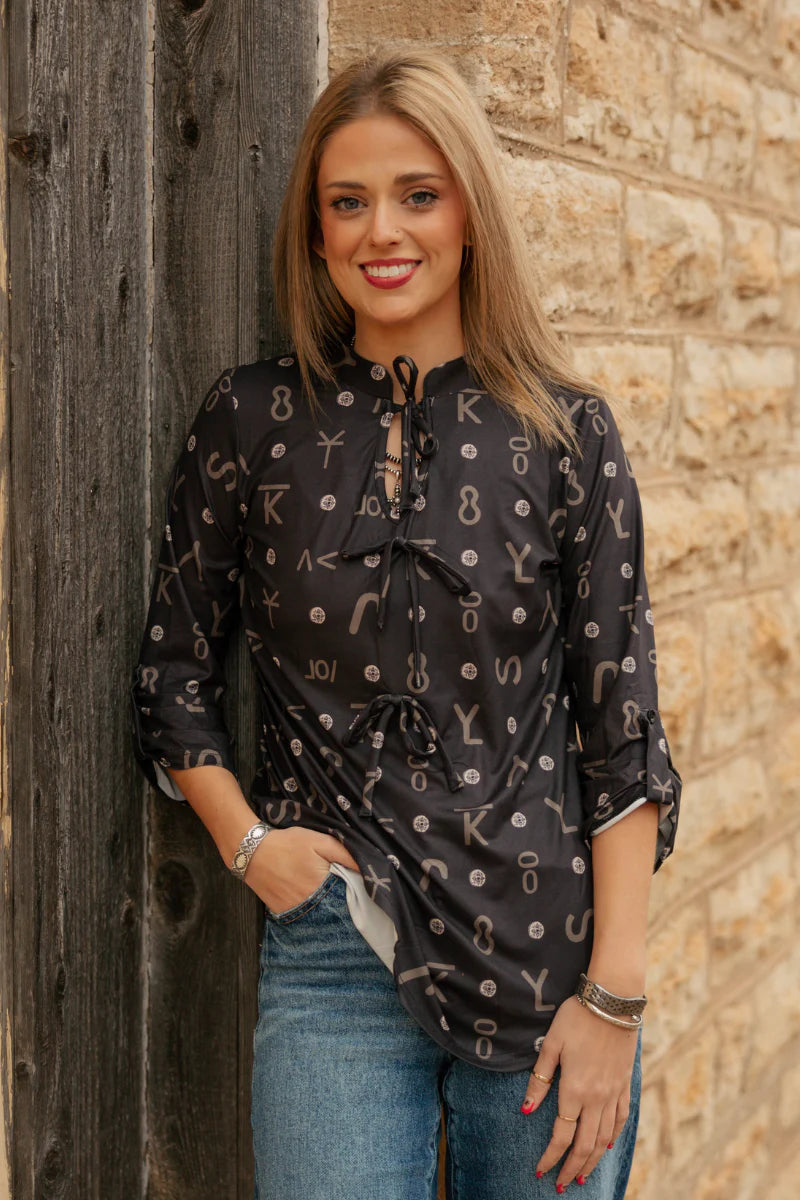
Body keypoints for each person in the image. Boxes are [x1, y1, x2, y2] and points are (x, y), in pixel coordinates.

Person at [130, 48, 682, 1200]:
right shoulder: (250, 420)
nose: (381, 231)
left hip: (547, 966)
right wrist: (251, 847)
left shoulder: (566, 435)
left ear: (469, 211)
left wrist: (613, 998)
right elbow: (171, 676)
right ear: (315, 229)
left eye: (416, 195)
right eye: (347, 202)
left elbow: (621, 733)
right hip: (334, 956)